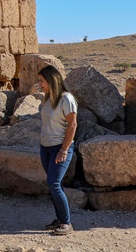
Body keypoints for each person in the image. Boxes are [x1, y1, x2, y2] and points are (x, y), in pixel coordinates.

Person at [38, 65, 78, 235]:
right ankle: (60, 220)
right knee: (54, 185)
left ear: (51, 80)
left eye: (42, 81)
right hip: (45, 147)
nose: (39, 84)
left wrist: (64, 150)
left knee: (54, 184)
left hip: (60, 148)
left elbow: (72, 125)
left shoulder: (66, 99)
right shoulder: (47, 98)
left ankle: (67, 223)